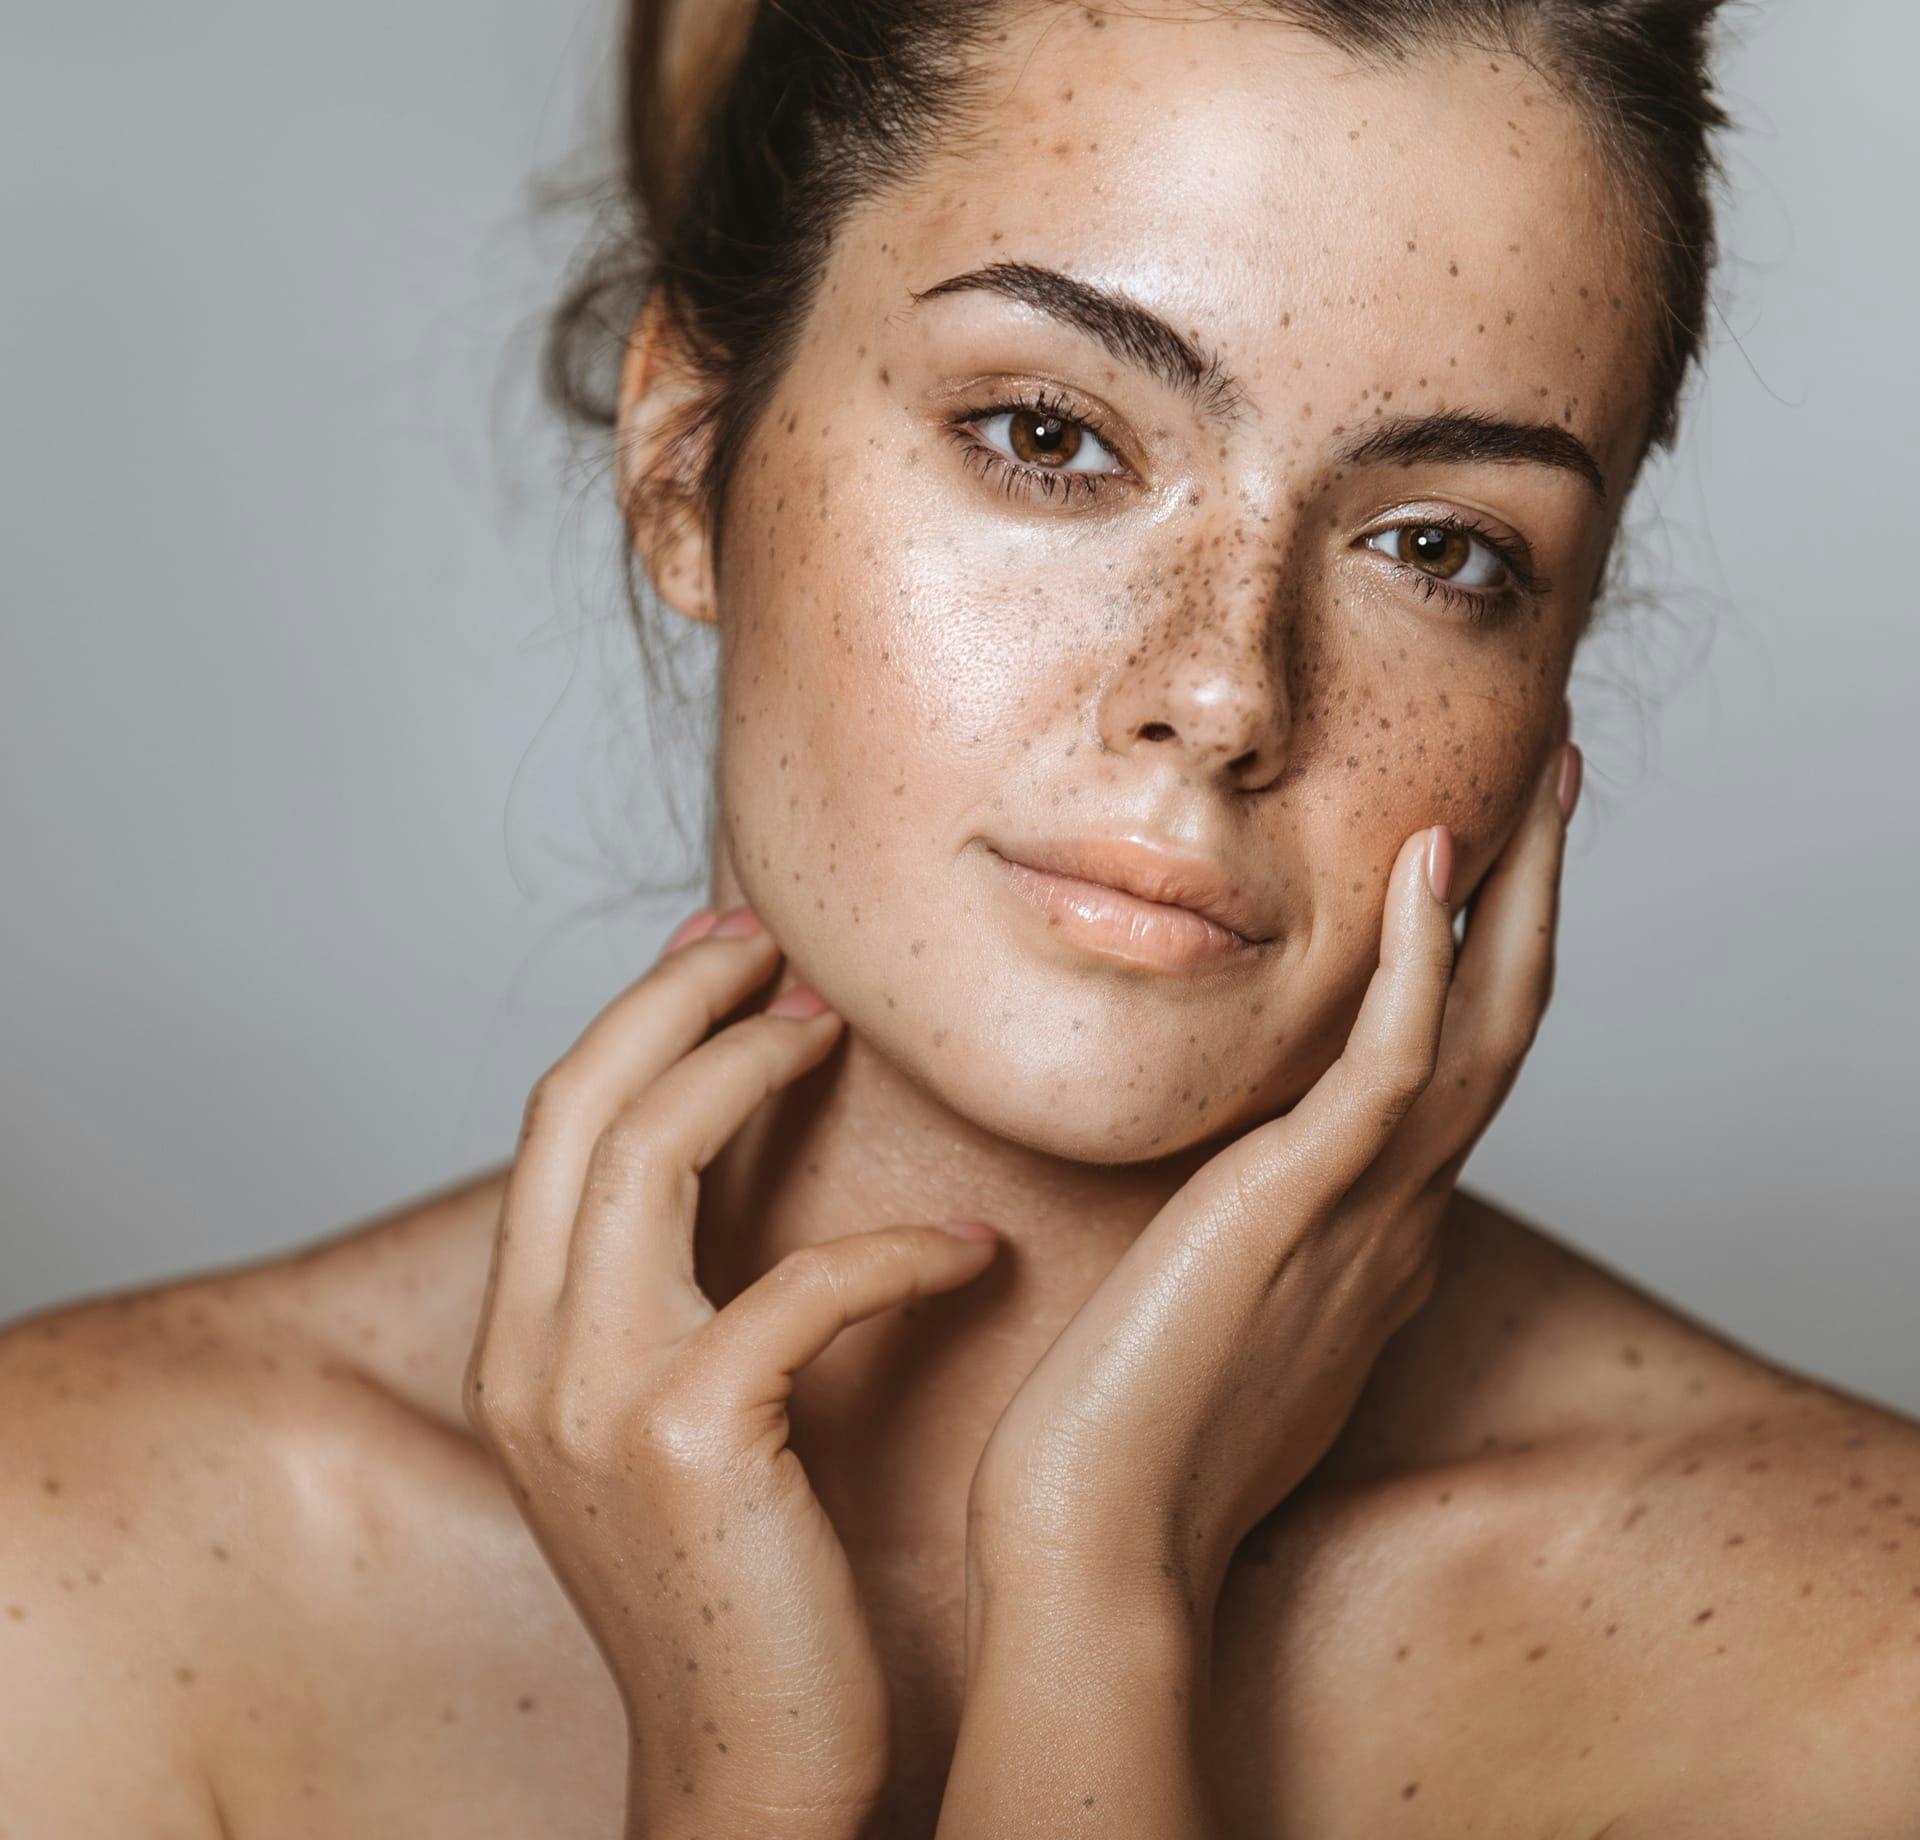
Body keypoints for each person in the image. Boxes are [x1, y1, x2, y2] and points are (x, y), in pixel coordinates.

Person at [4, 1, 1917, 1833]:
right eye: (1052, 436)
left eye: (1439, 547)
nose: (1228, 693)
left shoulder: (1855, 1665)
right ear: (685, 460)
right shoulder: (71, 1568)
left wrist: (1101, 1606)